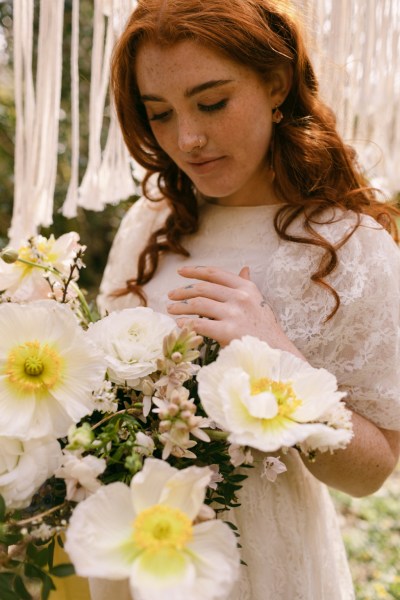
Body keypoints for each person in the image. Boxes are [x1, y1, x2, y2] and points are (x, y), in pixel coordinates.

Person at [94, 0, 400, 598]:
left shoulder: (350, 248)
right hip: (138, 554)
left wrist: (273, 356)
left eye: (212, 102)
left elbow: (375, 469)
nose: (188, 138)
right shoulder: (148, 225)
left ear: (275, 83)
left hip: (261, 566)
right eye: (159, 114)